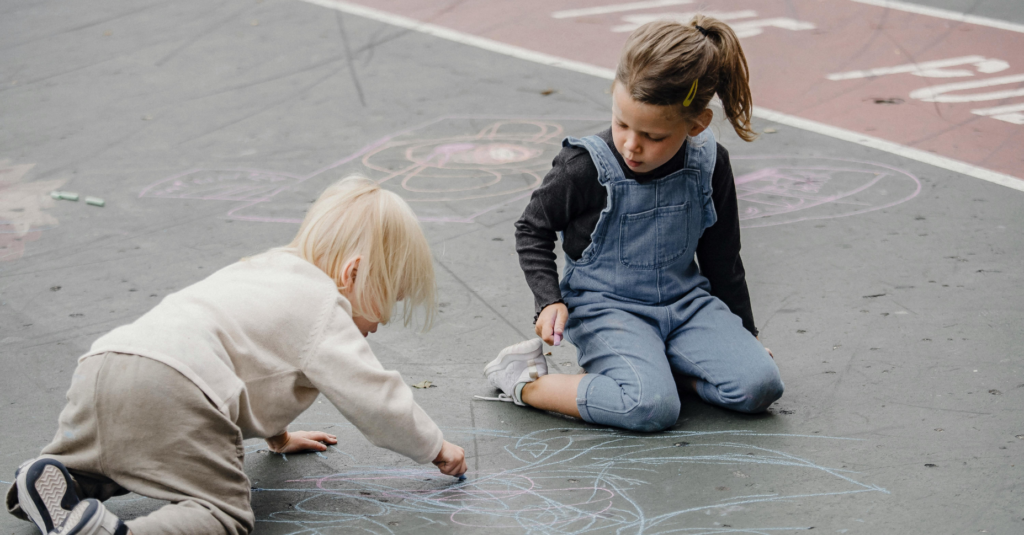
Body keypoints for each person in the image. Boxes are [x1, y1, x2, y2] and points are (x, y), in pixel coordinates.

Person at [8, 176, 467, 535]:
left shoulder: (265, 269)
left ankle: (60, 478)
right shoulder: (325, 306)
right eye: (388, 301)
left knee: (135, 456)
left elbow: (253, 359)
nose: (382, 321)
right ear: (352, 273)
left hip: (107, 362)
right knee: (222, 513)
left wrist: (279, 437)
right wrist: (434, 446)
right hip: (177, 387)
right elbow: (374, 397)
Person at [485, 16, 783, 432]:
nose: (631, 144)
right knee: (649, 407)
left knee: (760, 387)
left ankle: (661, 368)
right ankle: (523, 380)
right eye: (621, 123)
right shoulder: (584, 166)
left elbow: (722, 259)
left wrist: (745, 333)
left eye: (652, 135)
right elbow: (532, 228)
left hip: (684, 304)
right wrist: (549, 299)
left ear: (695, 125)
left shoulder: (710, 165)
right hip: (607, 309)